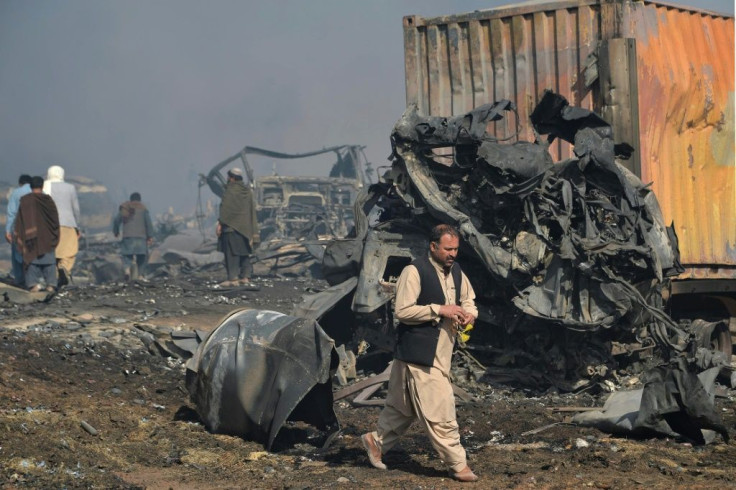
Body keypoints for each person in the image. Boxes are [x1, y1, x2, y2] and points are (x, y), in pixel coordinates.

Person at [362, 224, 480, 482]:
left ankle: (376, 442)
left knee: (402, 409)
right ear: (433, 246)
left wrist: (469, 313)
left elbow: (468, 299)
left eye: (456, 249)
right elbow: (402, 311)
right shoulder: (414, 271)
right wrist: (439, 309)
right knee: (442, 412)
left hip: (438, 354)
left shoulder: (457, 271)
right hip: (420, 355)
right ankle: (458, 464)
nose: (452, 254)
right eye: (448, 249)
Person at [15, 176, 60, 292]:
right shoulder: (48, 200)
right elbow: (55, 219)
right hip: (47, 236)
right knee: (49, 262)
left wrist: (19, 234)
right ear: (42, 186)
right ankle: (50, 285)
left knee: (31, 261)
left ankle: (33, 285)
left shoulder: (25, 201)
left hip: (30, 239)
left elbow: (19, 220)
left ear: (30, 186)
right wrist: (54, 233)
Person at [216, 167, 258, 287]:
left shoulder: (230, 191)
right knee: (244, 252)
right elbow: (250, 211)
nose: (228, 179)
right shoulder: (247, 191)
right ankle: (245, 277)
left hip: (231, 228)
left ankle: (233, 279)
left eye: (229, 177)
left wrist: (220, 224)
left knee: (231, 253)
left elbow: (225, 210)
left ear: (233, 178)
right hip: (245, 229)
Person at [43, 165, 80, 287]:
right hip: (68, 223)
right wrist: (77, 225)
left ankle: (55, 278)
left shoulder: (45, 185)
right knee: (69, 250)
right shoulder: (71, 187)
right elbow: (76, 208)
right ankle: (63, 269)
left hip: (49, 224)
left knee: (53, 252)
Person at [113, 192, 154, 281]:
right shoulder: (143, 209)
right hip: (141, 238)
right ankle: (140, 275)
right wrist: (150, 236)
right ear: (139, 200)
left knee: (126, 256)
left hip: (128, 237)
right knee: (142, 257)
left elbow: (116, 221)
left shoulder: (125, 208)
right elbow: (148, 224)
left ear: (131, 199)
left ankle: (127, 270)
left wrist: (116, 232)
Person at [5, 174, 32, 286]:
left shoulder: (16, 192)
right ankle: (32, 279)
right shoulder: (39, 192)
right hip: (35, 227)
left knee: (17, 253)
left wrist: (8, 231)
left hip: (19, 227)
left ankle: (20, 279)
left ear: (20, 183)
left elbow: (11, 213)